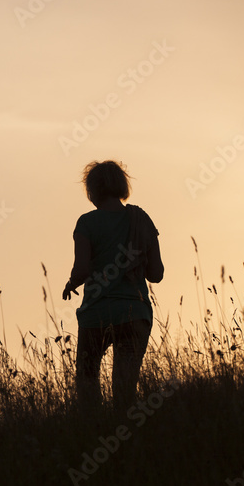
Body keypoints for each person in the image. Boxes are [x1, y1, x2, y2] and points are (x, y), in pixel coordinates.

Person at [62, 161, 164, 413]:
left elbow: (82, 270)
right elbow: (156, 274)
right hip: (134, 312)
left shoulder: (86, 223)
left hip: (96, 315)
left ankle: (92, 431)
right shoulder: (141, 220)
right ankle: (125, 438)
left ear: (92, 190)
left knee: (87, 381)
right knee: (125, 390)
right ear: (121, 185)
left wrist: (71, 284)